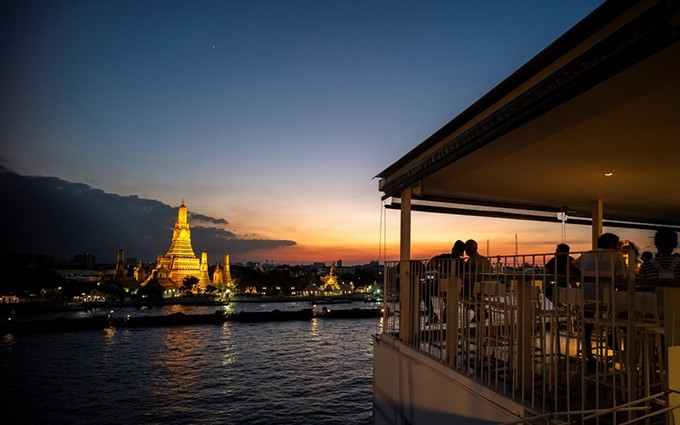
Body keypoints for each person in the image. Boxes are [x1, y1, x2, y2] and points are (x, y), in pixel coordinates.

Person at [572, 232, 627, 372]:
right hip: (606, 300)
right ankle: (619, 344)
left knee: (587, 325)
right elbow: (622, 279)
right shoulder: (615, 255)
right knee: (626, 314)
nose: (618, 247)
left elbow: (571, 267)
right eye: (617, 244)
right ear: (611, 245)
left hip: (587, 297)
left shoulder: (588, 254)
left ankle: (589, 355)